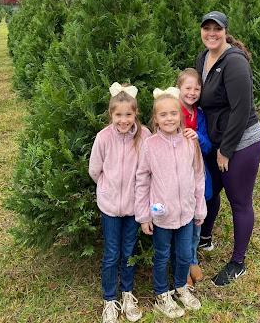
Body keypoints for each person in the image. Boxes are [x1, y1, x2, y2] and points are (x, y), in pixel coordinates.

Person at [196, 11, 260, 287]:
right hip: (217, 141)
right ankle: (205, 239)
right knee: (210, 189)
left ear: (225, 31)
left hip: (242, 142)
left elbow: (240, 110)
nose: (211, 33)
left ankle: (238, 263)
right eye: (206, 28)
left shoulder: (235, 63)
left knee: (239, 201)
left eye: (217, 29)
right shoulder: (203, 58)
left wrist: (226, 150)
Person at [135, 88, 207, 319]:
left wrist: (199, 207)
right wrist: (144, 215)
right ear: (155, 118)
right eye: (163, 115)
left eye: (173, 114)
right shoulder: (151, 145)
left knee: (185, 254)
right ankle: (161, 294)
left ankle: (180, 287)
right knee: (162, 255)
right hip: (161, 214)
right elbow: (142, 180)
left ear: (181, 116)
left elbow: (198, 176)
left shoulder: (189, 142)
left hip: (186, 212)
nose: (169, 119)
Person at [89, 82, 151, 323]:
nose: (123, 120)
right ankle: (109, 299)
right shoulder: (103, 138)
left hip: (134, 207)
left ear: (135, 113)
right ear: (111, 114)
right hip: (111, 207)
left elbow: (147, 169)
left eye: (128, 114)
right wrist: (107, 188)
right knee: (111, 253)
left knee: (128, 251)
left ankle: (127, 293)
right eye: (118, 115)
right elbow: (95, 170)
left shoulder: (144, 136)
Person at [176, 68, 212, 285]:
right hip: (177, 175)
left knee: (196, 218)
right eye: (188, 88)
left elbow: (207, 147)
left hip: (197, 172)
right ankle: (181, 264)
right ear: (178, 88)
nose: (192, 92)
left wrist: (198, 137)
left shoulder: (201, 116)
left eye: (196, 89)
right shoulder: (172, 111)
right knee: (180, 221)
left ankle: (191, 259)